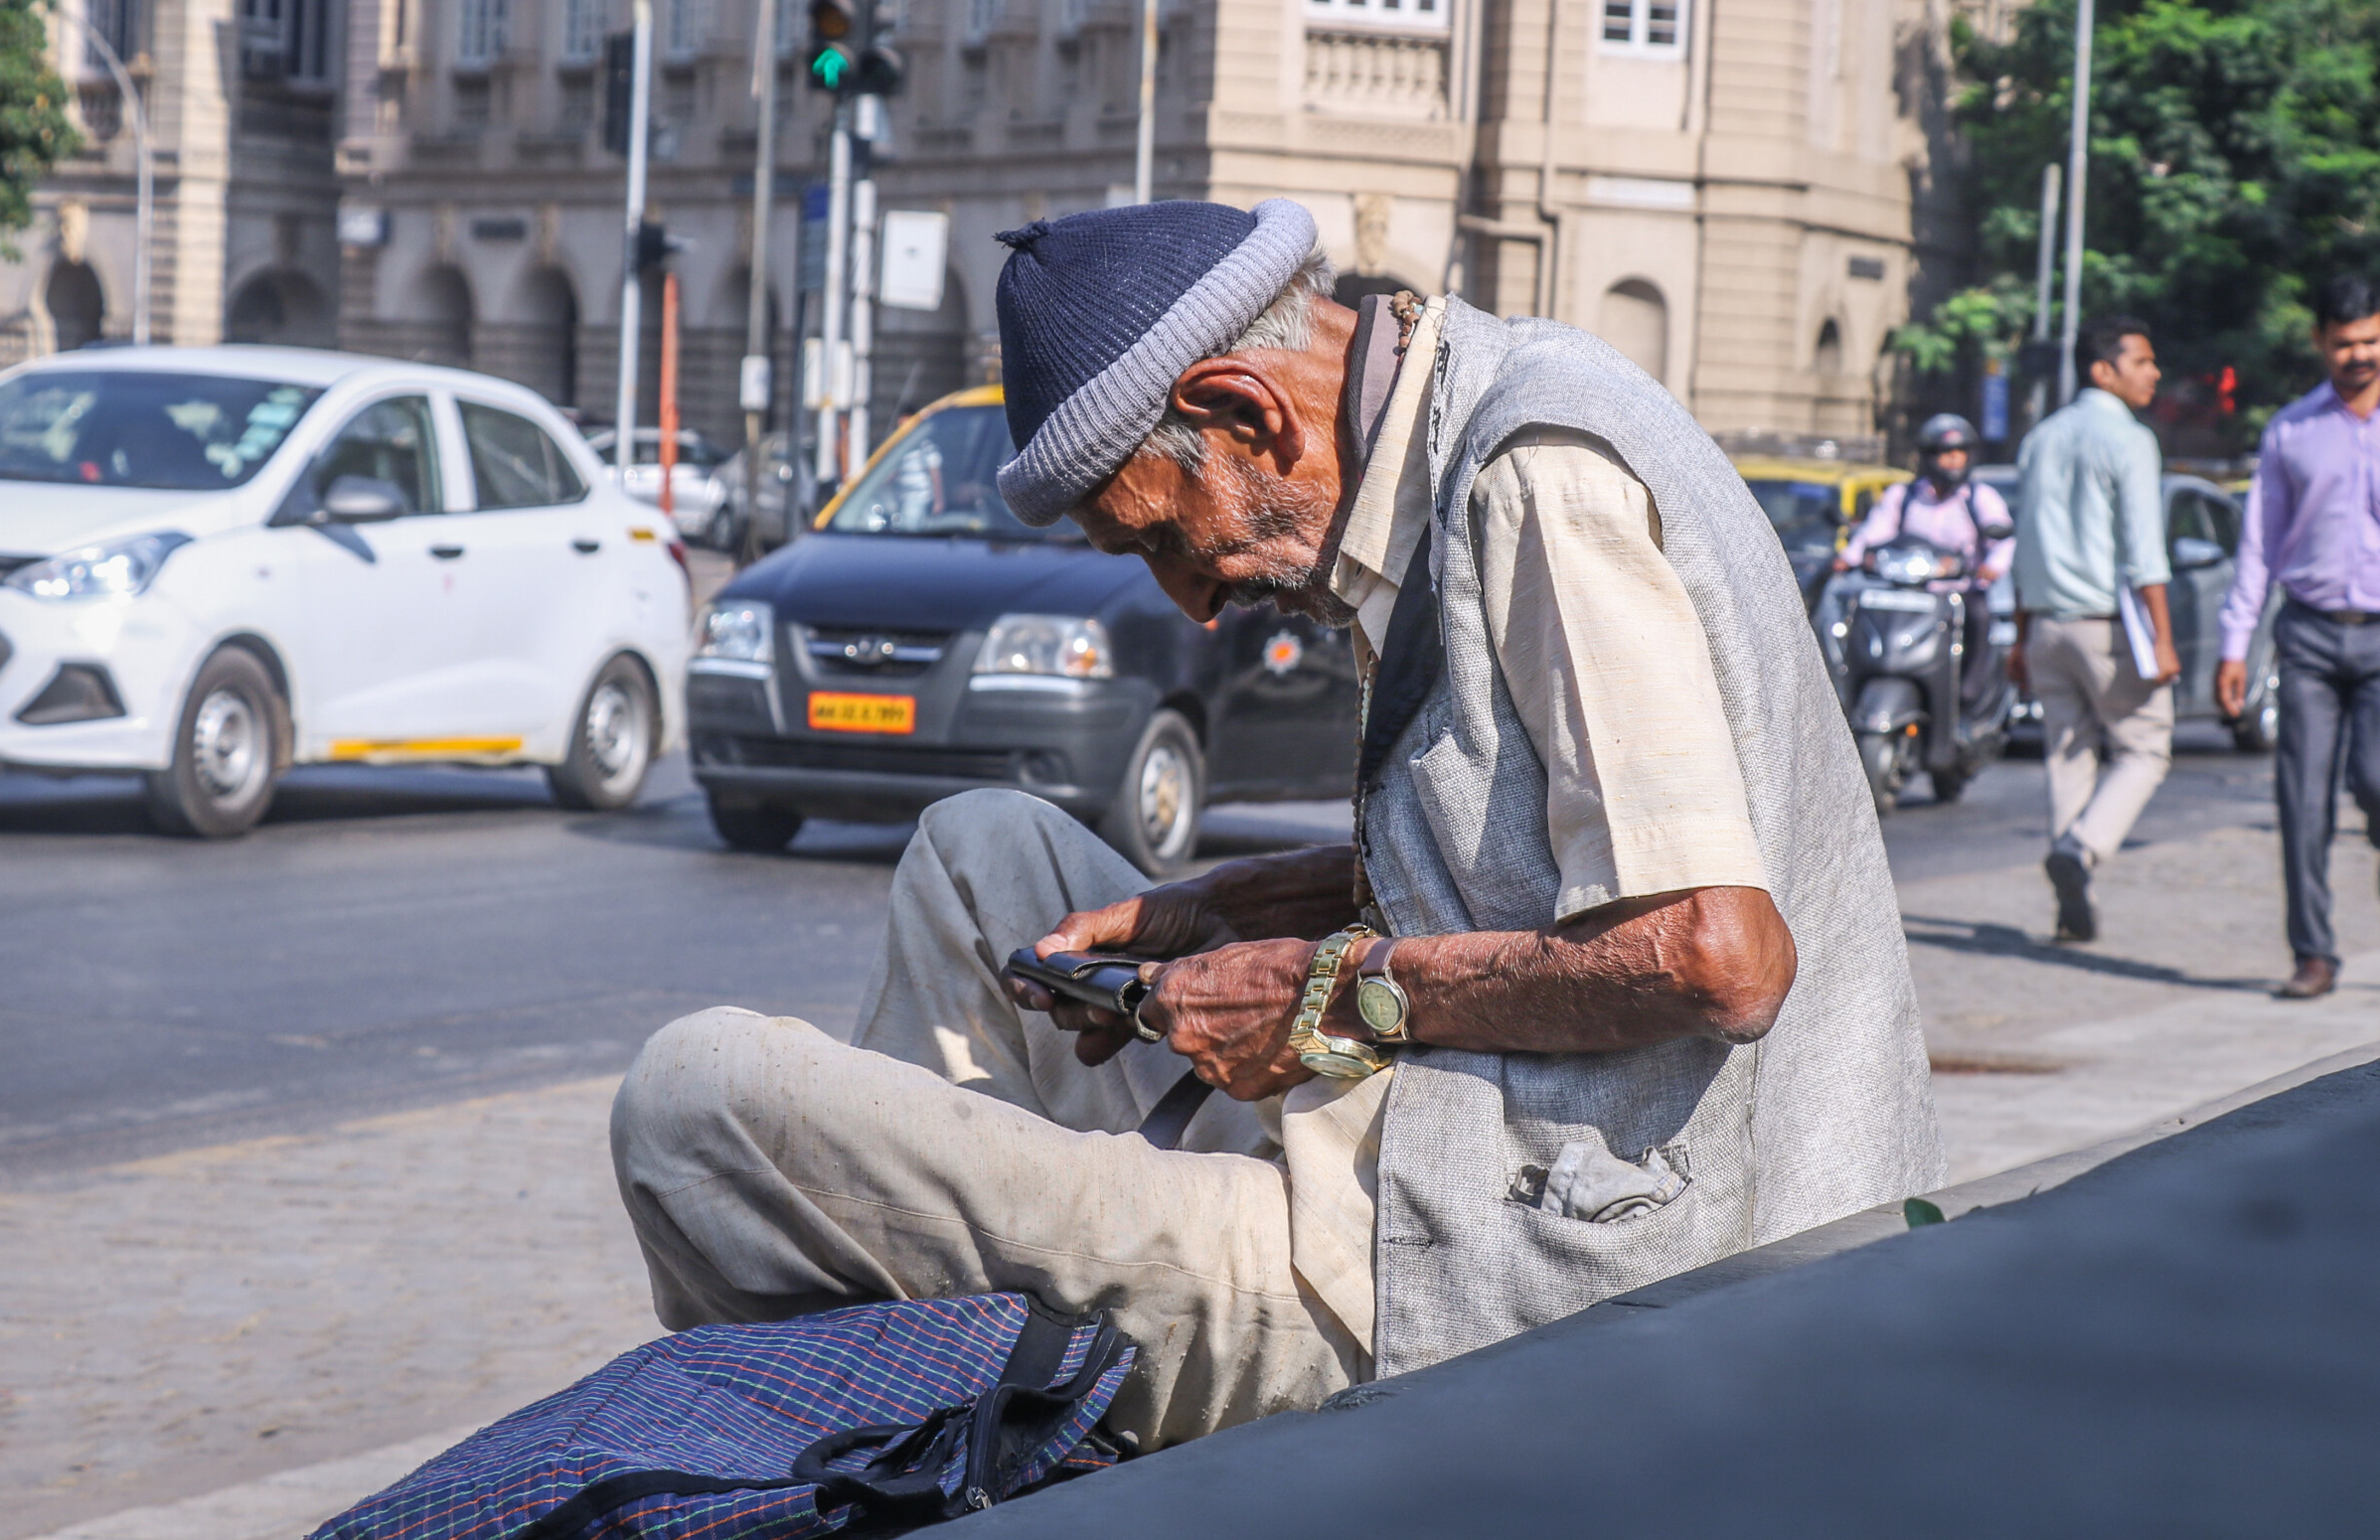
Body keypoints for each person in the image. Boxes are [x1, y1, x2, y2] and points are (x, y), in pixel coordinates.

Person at [609, 199, 1945, 1449]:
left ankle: (929, 1406)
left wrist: (1325, 996)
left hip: (1514, 1262)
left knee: (692, 1099)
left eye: (1165, 539)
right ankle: (956, 1379)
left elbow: (1714, 954)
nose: (1193, 603)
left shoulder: (1535, 478)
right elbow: (1538, 866)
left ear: (1245, 412)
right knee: (981, 851)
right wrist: (1238, 908)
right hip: (1418, 1144)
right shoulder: (1448, 428)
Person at [2213, 275, 2380, 1000]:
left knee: (2375, 782)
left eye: (2372, 340)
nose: (2360, 355)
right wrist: (2233, 643)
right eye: (2344, 343)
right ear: (2319, 342)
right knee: (2302, 801)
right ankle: (2312, 953)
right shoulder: (2289, 429)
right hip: (2308, 634)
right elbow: (2258, 545)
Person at [2008, 315, 2181, 944]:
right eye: (2142, 361)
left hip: (2046, 626)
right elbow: (2144, 551)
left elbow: (2022, 544)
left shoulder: (2041, 437)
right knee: (2145, 747)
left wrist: (2020, 635)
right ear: (2102, 370)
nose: (2153, 373)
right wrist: (2163, 637)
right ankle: (2081, 850)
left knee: (2068, 754)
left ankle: (2068, 904)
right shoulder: (2128, 439)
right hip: (2107, 629)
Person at [1841, 411, 2014, 697]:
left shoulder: (1979, 497)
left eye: (1959, 452)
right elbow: (1874, 531)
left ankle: (1970, 691)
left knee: (1980, 615)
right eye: (1944, 453)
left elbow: (2003, 538)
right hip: (1908, 591)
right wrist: (1849, 557)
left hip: (1957, 591)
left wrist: (1992, 566)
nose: (1952, 459)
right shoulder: (1905, 495)